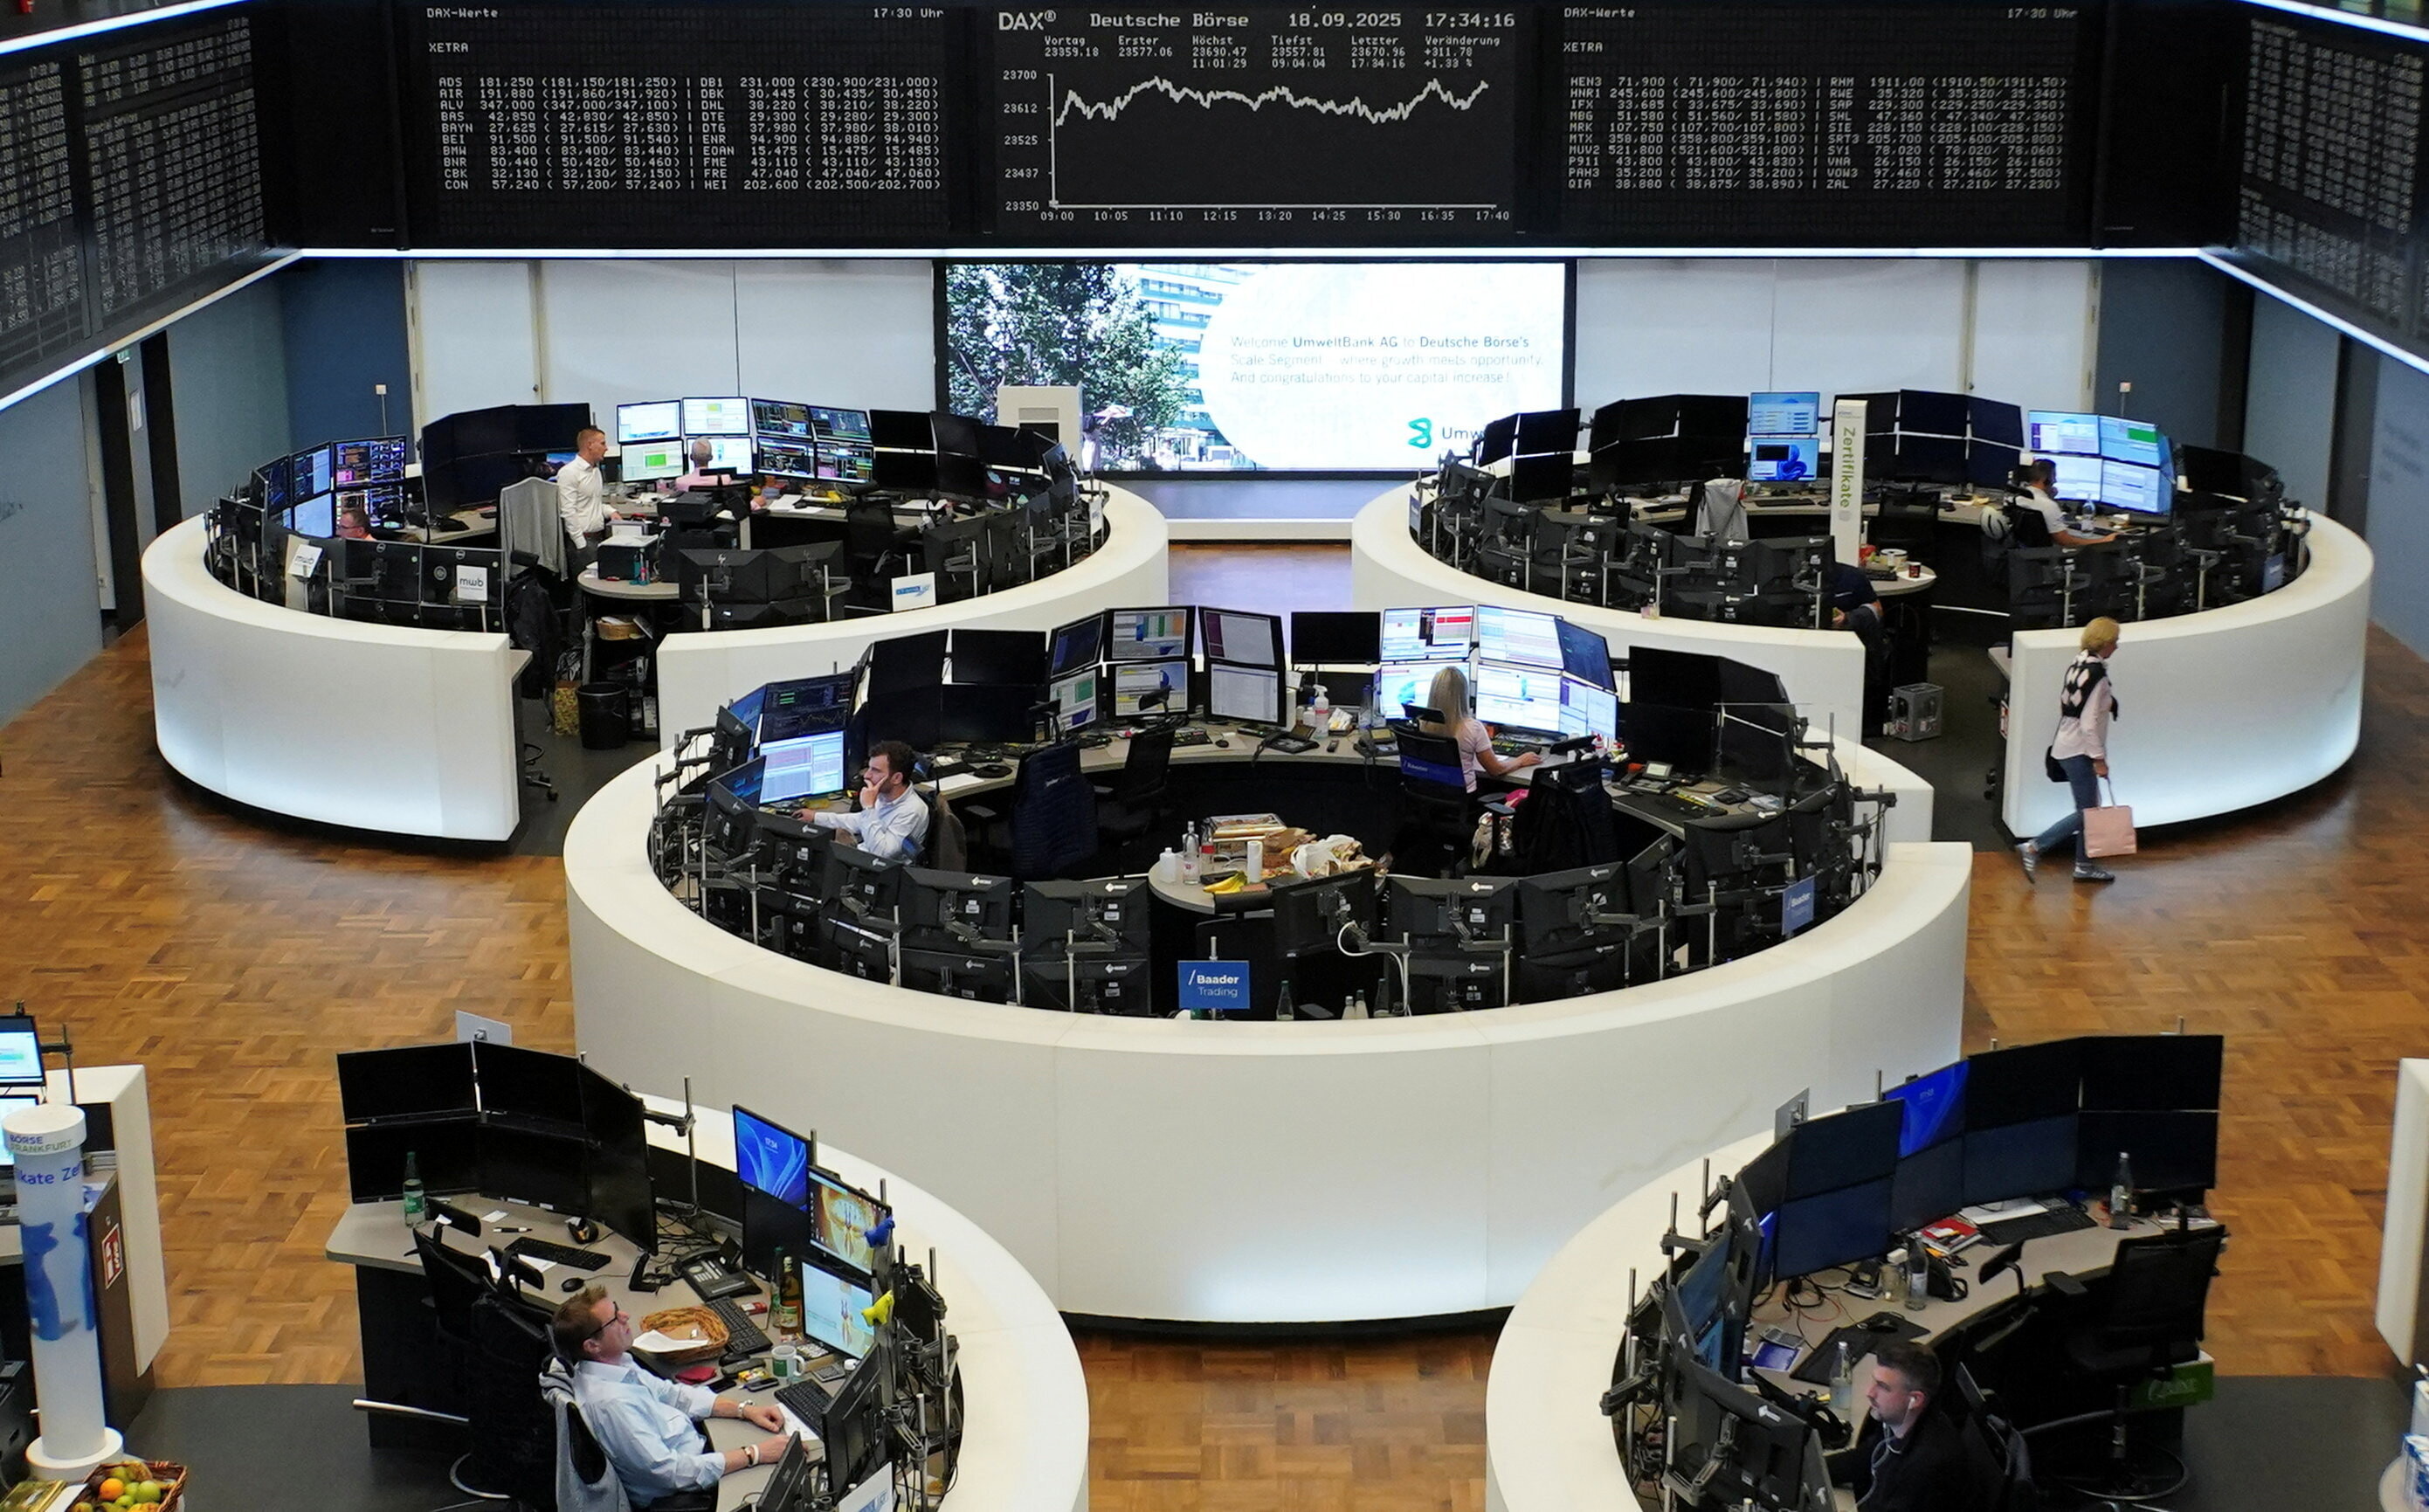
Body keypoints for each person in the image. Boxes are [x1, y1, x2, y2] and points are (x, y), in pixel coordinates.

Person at [550, 1285, 790, 1509]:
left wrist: (744, 1410)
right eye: (614, 1319)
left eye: (616, 1308)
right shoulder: (611, 1405)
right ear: (592, 1346)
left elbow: (672, 1395)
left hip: (693, 1454)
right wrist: (754, 1454)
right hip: (683, 1490)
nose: (625, 1316)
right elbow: (670, 1473)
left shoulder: (616, 1363)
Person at [2019, 617, 2122, 884]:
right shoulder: (2098, 676)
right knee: (2088, 812)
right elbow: (2088, 725)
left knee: (2090, 809)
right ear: (2106, 643)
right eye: (2115, 641)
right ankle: (2035, 847)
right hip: (2080, 751)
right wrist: (2099, 759)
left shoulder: (2079, 663)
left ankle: (2085, 866)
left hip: (2066, 744)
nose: (2117, 647)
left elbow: (2069, 705)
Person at [1842, 1340, 1973, 1512]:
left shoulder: (1926, 1466)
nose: (1870, 1393)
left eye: (1883, 1387)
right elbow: (1864, 1457)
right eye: (1875, 1381)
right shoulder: (1899, 1419)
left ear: (1915, 1400)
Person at [1418, 665, 1538, 793]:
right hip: (1464, 799)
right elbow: (1496, 770)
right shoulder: (1472, 728)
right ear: (1464, 694)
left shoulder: (1421, 723)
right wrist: (1520, 760)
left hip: (1429, 796)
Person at [811, 740, 930, 862]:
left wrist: (869, 807)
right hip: (861, 858)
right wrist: (815, 817)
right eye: (869, 768)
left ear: (896, 778)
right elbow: (860, 821)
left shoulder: (912, 811)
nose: (867, 775)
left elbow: (882, 854)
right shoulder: (884, 796)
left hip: (879, 872)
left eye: (875, 770)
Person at [2011, 459, 2115, 547]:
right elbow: (2067, 542)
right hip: (2049, 556)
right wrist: (2103, 541)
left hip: (2025, 554)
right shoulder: (2048, 506)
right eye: (2053, 476)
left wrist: (2050, 497)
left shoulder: (2020, 497)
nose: (2055, 481)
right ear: (2046, 479)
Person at [556, 426, 621, 555]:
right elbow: (568, 511)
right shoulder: (569, 473)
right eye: (602, 443)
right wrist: (581, 544)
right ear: (590, 445)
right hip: (583, 541)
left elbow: (592, 503)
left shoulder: (595, 471)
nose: (606, 448)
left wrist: (611, 511)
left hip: (598, 537)